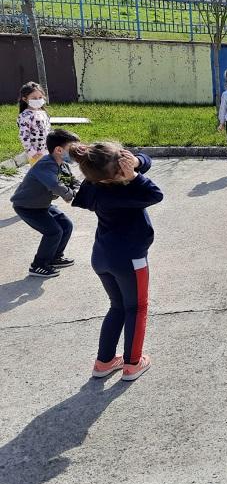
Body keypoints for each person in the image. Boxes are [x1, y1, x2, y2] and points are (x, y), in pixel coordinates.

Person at [71, 142, 163, 382]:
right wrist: (134, 175)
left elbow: (146, 160)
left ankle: (104, 362)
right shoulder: (128, 190)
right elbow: (155, 194)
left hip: (102, 256)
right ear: (120, 172)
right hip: (130, 260)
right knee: (137, 308)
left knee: (118, 306)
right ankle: (133, 364)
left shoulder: (93, 186)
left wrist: (136, 164)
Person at [10, 129, 81, 278]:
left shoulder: (63, 165)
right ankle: (38, 265)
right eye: (72, 149)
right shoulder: (45, 165)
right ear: (59, 150)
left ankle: (54, 257)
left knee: (66, 225)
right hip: (27, 207)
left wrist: (76, 191)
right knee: (53, 232)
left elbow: (73, 182)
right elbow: (55, 186)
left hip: (42, 205)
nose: (76, 153)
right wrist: (70, 195)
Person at [18, 82, 51, 165]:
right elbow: (24, 136)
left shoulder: (43, 112)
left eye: (40, 97)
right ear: (25, 99)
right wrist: (32, 152)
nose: (38, 100)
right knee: (39, 174)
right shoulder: (25, 116)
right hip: (35, 154)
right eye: (34, 98)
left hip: (46, 151)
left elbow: (48, 130)